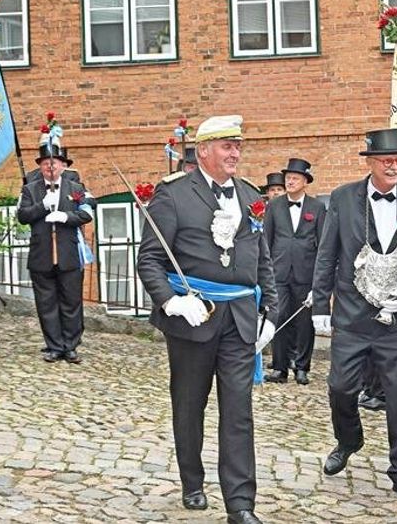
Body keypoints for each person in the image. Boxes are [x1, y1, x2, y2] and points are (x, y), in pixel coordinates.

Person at [137, 115, 277, 524]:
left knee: (238, 410)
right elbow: (150, 258)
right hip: (193, 318)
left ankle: (240, 503)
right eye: (226, 146)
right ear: (203, 152)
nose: (235, 153)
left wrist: (269, 309)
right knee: (189, 404)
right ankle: (192, 481)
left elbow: (260, 258)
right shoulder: (174, 195)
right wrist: (171, 301)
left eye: (238, 146)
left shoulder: (252, 194)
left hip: (238, 319)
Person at [310, 128, 397, 503]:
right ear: (369, 163)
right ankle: (348, 439)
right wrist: (321, 305)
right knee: (340, 388)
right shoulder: (343, 198)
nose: (395, 166)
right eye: (387, 161)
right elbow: (327, 255)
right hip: (351, 317)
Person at [17, 137, 94, 364]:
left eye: (56, 163)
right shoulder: (30, 189)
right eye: (46, 163)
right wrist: (42, 206)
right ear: (40, 166)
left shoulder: (76, 189)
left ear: (63, 166)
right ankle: (54, 345)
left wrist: (65, 216)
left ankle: (70, 346)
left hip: (68, 254)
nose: (51, 167)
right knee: (46, 302)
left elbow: (87, 213)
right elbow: (22, 216)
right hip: (41, 254)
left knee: (71, 301)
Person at [264, 158, 326, 385]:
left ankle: (302, 367)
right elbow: (266, 241)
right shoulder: (274, 206)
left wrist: (319, 282)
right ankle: (280, 368)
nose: (289, 181)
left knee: (304, 322)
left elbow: (323, 246)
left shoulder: (317, 208)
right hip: (279, 273)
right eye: (287, 178)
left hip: (306, 273)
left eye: (294, 178)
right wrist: (266, 272)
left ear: (305, 182)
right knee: (278, 318)